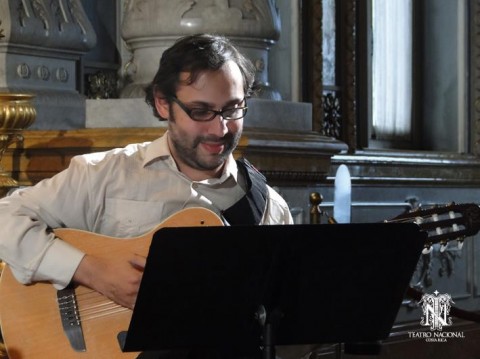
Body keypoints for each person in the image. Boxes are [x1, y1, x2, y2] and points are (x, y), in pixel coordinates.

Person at [0, 33, 293, 312]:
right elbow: (5, 217)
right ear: (163, 103)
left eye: (232, 109)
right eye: (200, 112)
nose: (220, 129)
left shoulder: (269, 209)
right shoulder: (104, 175)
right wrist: (93, 272)